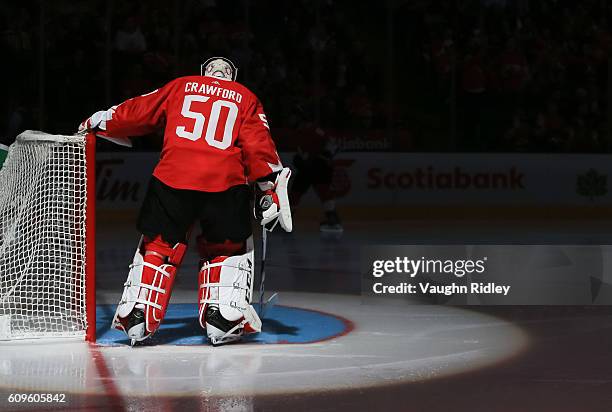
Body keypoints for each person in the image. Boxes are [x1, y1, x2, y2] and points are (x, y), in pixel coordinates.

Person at [79, 57, 292, 346]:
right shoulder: (245, 96)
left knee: (158, 246)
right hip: (224, 183)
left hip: (172, 178)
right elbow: (258, 144)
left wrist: (101, 121)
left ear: (204, 72)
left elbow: (140, 111)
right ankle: (223, 319)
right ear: (232, 76)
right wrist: (268, 188)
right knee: (225, 249)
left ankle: (137, 316)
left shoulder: (181, 86)